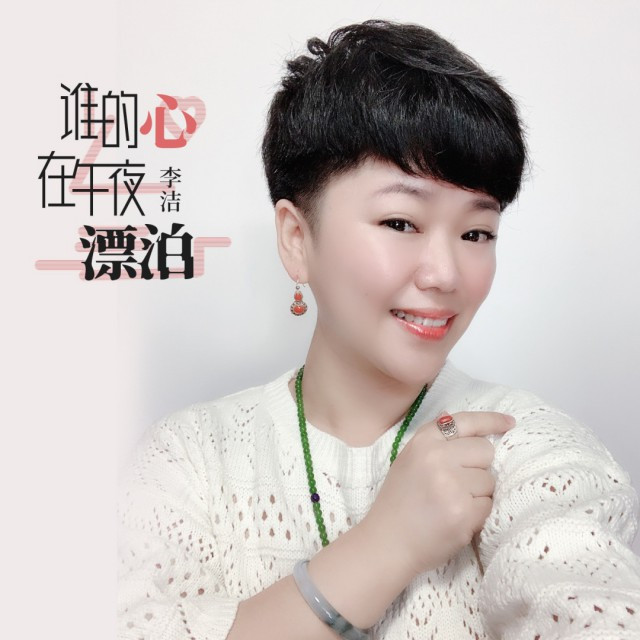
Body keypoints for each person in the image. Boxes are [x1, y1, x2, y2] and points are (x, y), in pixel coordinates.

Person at [118, 19, 640, 640]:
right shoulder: (188, 460)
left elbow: (588, 598)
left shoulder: (527, 448)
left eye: (477, 232)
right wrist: (385, 545)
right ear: (297, 238)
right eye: (400, 222)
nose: (446, 274)